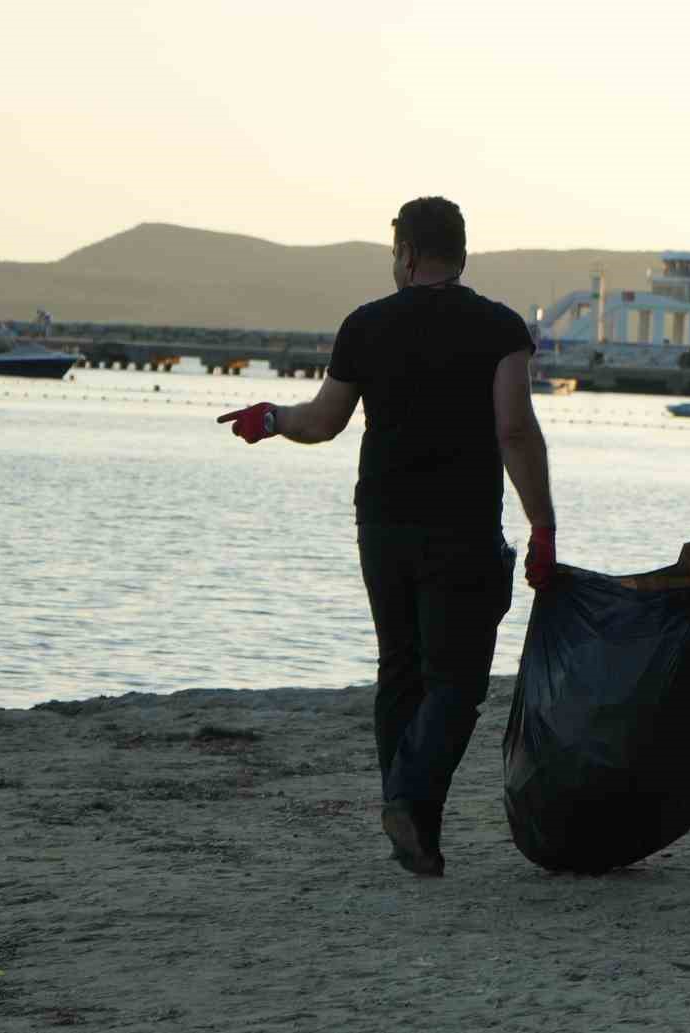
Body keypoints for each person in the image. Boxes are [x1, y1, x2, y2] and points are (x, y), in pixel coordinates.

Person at [216, 197, 556, 877]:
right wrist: (542, 522)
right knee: (456, 683)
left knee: (400, 671)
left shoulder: (366, 324)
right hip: (460, 528)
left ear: (405, 253)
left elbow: (325, 419)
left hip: (382, 526)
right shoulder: (499, 328)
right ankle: (407, 802)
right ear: (460, 252)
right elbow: (514, 429)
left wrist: (271, 418)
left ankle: (415, 833)